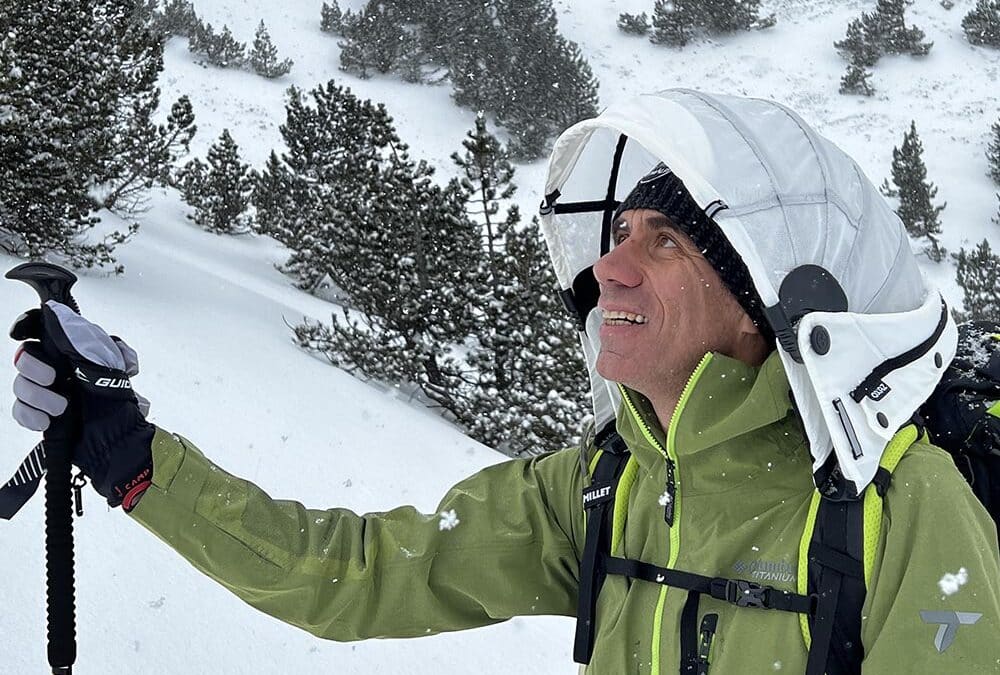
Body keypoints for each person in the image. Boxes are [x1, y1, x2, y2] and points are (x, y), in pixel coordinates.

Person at [10, 90, 1000, 674]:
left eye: (663, 244)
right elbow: (349, 576)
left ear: (759, 300)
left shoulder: (894, 507)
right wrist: (134, 460)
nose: (609, 268)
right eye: (615, 237)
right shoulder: (601, 488)